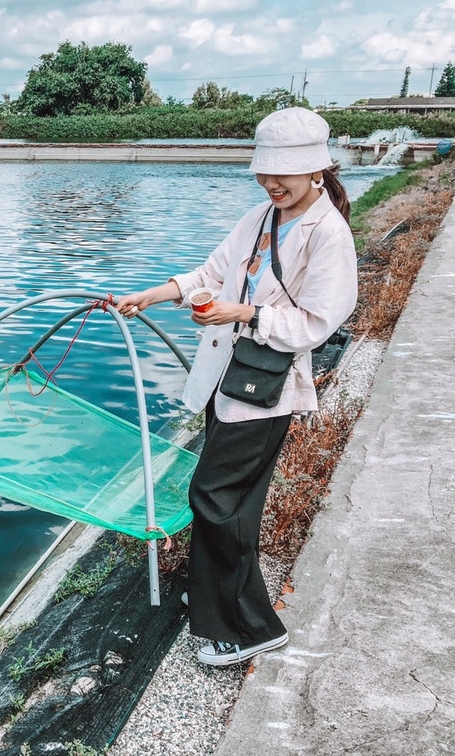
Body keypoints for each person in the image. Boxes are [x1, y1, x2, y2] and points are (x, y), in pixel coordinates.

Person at [115, 107, 358, 666]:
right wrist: (151, 295)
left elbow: (318, 324)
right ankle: (212, 594)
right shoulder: (260, 217)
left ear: (316, 172)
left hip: (266, 389)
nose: (272, 183)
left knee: (215, 499)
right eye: (264, 174)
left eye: (284, 175)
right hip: (227, 379)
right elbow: (209, 274)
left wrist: (244, 313)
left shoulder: (330, 236)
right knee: (235, 502)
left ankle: (249, 627)